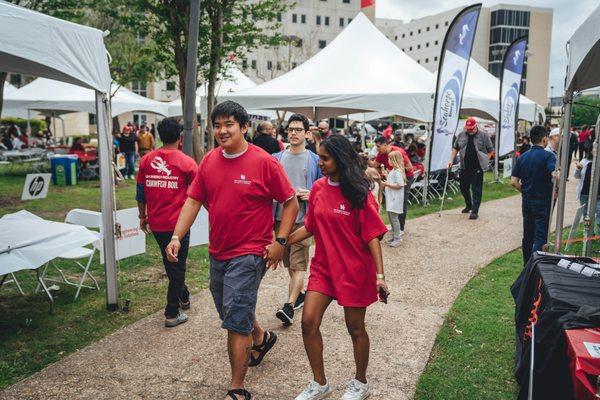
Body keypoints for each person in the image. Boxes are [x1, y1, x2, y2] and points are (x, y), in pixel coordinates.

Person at [166, 101, 299, 400]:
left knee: (234, 320)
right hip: (219, 252)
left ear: (244, 127)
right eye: (217, 125)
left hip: (250, 253)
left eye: (229, 124)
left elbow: (290, 201)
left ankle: (237, 389)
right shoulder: (210, 161)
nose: (222, 131)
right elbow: (193, 200)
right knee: (232, 310)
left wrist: (280, 242)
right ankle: (262, 339)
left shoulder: (264, 162)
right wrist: (176, 236)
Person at [288, 135, 389, 400]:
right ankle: (320, 383)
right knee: (308, 322)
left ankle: (360, 382)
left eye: (325, 158)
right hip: (324, 268)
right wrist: (283, 242)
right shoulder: (319, 188)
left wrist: (380, 276)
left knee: (355, 328)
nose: (319, 163)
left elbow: (372, 237)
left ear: (341, 159)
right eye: (319, 157)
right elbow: (310, 226)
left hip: (354, 270)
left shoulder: (358, 193)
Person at [136, 117, 197, 327]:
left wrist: (142, 216)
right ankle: (172, 312)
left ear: (159, 136)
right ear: (180, 137)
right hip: (179, 225)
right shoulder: (187, 162)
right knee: (177, 267)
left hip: (158, 223)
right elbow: (197, 194)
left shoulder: (146, 160)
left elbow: (140, 193)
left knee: (171, 263)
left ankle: (184, 296)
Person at [272, 113, 322, 326]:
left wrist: (312, 194)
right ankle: (300, 294)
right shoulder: (276, 158)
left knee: (299, 264)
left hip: (304, 219)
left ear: (307, 134)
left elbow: (324, 188)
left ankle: (289, 306)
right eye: (290, 129)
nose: (293, 133)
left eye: (298, 130)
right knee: (289, 264)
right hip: (279, 219)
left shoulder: (315, 160)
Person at [511, 125, 557, 265]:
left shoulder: (523, 157)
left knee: (528, 236)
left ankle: (527, 265)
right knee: (540, 237)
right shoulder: (549, 156)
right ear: (544, 139)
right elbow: (553, 173)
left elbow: (513, 182)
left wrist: (525, 191)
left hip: (527, 201)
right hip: (543, 201)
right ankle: (534, 268)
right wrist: (557, 174)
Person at [448, 117, 493, 220]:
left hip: (478, 167)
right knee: (463, 188)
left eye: (471, 128)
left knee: (476, 189)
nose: (469, 130)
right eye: (467, 128)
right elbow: (455, 148)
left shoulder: (483, 135)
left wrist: (485, 161)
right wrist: (451, 160)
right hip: (464, 166)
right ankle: (469, 205)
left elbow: (490, 150)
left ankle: (475, 211)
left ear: (475, 126)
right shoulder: (461, 135)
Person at [372, 136, 414, 233]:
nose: (377, 149)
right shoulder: (381, 154)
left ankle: (400, 228)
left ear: (385, 145)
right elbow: (374, 165)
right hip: (393, 177)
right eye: (376, 146)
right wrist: (366, 159)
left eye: (378, 146)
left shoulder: (398, 152)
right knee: (392, 202)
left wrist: (396, 171)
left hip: (405, 177)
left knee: (401, 202)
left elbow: (410, 167)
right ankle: (395, 227)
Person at [381, 151, 406, 247]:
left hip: (395, 199)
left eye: (389, 159)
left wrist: (387, 184)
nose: (388, 161)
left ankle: (397, 238)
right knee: (391, 218)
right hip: (391, 198)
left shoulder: (398, 172)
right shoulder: (393, 171)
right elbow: (393, 180)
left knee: (394, 218)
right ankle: (395, 235)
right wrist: (386, 176)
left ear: (394, 160)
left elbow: (399, 185)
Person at [575, 150, 600, 235]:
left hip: (598, 195)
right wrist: (578, 169)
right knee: (586, 216)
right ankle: (588, 235)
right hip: (584, 194)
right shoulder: (584, 161)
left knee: (599, 215)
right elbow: (576, 176)